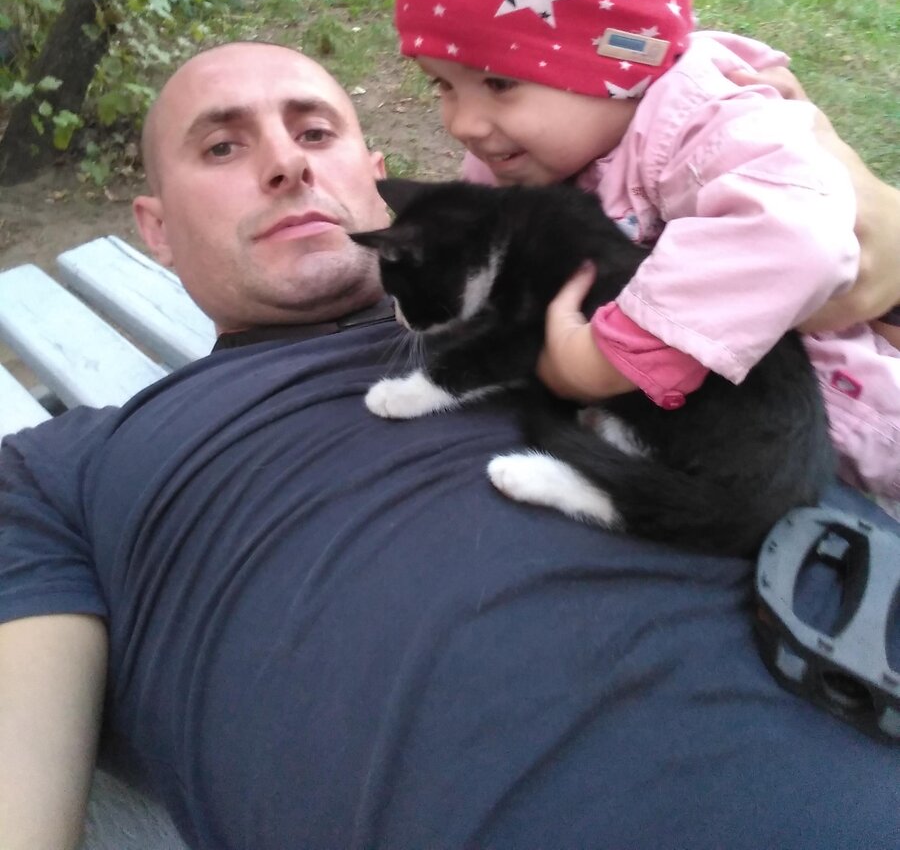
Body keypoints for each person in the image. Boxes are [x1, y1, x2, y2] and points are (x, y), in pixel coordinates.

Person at [0, 42, 898, 850]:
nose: (286, 163)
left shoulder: (626, 273)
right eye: (223, 147)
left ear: (377, 178)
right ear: (155, 227)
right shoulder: (61, 469)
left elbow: (807, 255)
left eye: (316, 132)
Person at [395, 0, 900, 506]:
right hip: (699, 450)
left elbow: (798, 236)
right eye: (441, 86)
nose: (463, 123)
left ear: (621, 63)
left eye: (500, 83)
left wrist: (611, 356)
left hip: (857, 431)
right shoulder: (520, 155)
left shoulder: (705, 124)